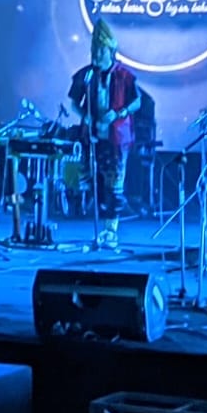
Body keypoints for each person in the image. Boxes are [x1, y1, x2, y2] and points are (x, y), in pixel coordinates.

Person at [68, 19, 141, 250]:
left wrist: (119, 113)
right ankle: (100, 228)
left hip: (116, 139)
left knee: (114, 184)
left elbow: (137, 102)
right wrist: (85, 116)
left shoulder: (125, 76)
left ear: (110, 51)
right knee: (95, 183)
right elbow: (73, 102)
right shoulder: (86, 75)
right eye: (94, 50)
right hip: (92, 137)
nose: (96, 55)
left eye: (101, 50)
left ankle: (111, 230)